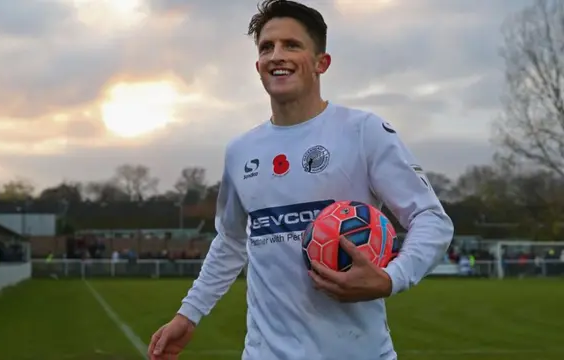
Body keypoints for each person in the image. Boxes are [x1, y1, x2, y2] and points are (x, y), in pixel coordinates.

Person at [148, 0, 454, 359]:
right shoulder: (241, 151)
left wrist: (391, 278)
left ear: (321, 63)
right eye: (267, 47)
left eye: (291, 45)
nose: (277, 55)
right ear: (258, 66)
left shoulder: (362, 132)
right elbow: (231, 240)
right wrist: (190, 313)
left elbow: (431, 220)